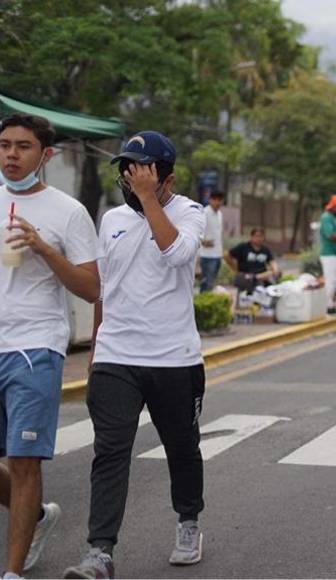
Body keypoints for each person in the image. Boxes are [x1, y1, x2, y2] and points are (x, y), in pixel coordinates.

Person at [64, 131, 207, 579]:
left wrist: (150, 202)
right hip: (116, 355)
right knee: (109, 451)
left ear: (168, 177)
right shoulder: (110, 220)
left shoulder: (191, 213)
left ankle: (188, 520)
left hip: (175, 358)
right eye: (127, 171)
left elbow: (176, 253)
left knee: (182, 448)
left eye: (142, 172)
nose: (131, 180)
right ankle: (99, 552)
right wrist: (95, 344)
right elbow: (105, 287)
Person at [0, 114, 100, 577]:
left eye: (22, 146)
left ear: (46, 154)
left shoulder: (68, 211)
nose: (11, 155)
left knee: (23, 461)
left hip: (36, 345)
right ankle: (38, 517)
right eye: (4, 145)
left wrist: (43, 247)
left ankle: (13, 572)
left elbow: (90, 288)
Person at [226, 227, 280, 292]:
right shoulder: (243, 247)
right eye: (257, 236)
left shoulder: (265, 250)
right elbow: (227, 255)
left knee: (273, 280)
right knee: (257, 279)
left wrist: (275, 269)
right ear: (251, 237)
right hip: (246, 275)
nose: (259, 239)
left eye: (261, 236)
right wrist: (235, 268)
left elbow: (271, 261)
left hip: (262, 275)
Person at [198, 190, 224, 292]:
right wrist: (203, 241)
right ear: (210, 200)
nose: (218, 203)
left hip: (218, 253)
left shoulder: (220, 214)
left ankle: (207, 303)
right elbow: (197, 230)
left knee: (212, 282)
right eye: (215, 200)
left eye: (220, 200)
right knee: (206, 283)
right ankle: (202, 304)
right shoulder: (204, 213)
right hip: (207, 254)